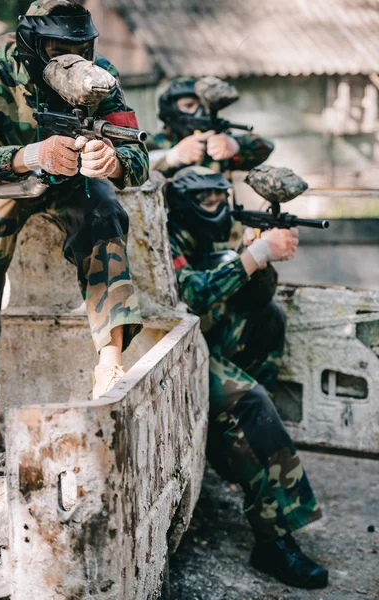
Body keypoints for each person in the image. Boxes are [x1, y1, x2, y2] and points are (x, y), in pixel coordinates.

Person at [0, 0, 149, 452]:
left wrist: (111, 162)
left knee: (106, 213)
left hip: (74, 184)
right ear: (33, 43)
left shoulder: (99, 77)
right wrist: (30, 155)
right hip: (6, 184)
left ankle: (109, 361)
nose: (70, 57)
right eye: (57, 47)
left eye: (80, 46)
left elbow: (138, 156)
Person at [166, 166, 329, 590]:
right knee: (253, 401)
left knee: (268, 318)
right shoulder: (167, 236)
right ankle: (272, 542)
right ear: (185, 205)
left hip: (205, 340)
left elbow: (255, 296)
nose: (217, 208)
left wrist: (262, 254)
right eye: (207, 202)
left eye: (222, 198)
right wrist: (254, 256)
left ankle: (243, 444)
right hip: (175, 353)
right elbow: (194, 293)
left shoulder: (222, 233)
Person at [148, 76, 274, 177]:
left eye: (204, 105)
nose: (200, 112)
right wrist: (173, 157)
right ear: (170, 109)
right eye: (189, 105)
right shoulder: (155, 143)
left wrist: (235, 146)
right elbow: (134, 170)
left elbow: (265, 147)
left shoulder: (216, 138)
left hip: (218, 207)